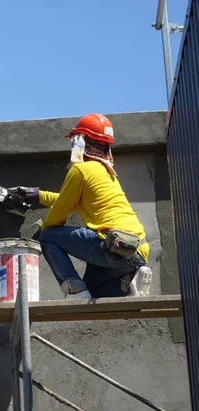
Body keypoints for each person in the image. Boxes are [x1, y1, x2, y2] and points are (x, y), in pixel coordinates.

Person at [9, 113, 152, 299]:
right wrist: (38, 195)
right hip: (136, 251)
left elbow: (60, 211)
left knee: (49, 237)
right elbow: (72, 201)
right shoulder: (105, 172)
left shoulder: (80, 170)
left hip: (112, 246)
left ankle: (75, 290)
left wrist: (43, 232)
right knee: (94, 293)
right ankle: (131, 279)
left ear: (81, 141)